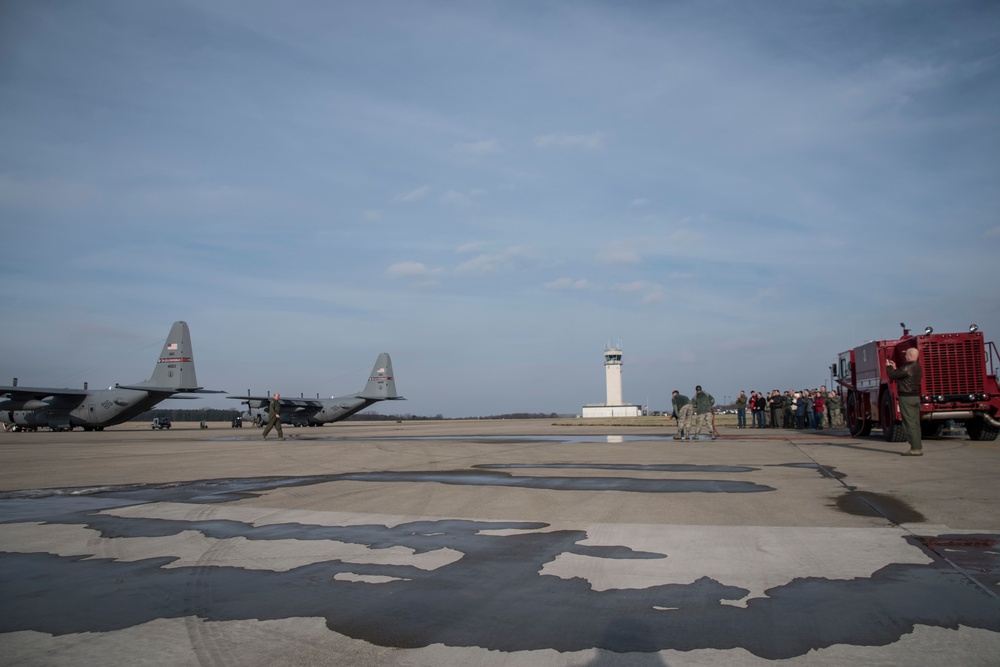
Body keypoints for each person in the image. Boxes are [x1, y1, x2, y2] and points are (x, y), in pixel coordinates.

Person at [887, 348, 923, 456]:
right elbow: (902, 375)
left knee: (909, 423)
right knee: (915, 423)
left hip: (906, 398)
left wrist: (888, 367)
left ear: (911, 355)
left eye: (906, 355)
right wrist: (895, 368)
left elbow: (892, 376)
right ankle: (918, 446)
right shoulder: (917, 367)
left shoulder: (907, 366)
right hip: (915, 397)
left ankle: (915, 448)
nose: (905, 357)